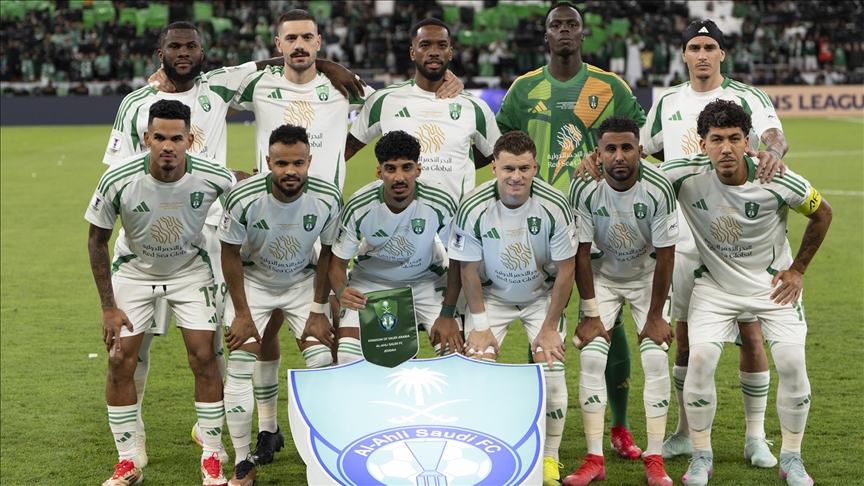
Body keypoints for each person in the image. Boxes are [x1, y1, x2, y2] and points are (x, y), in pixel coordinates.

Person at [105, 20, 361, 466]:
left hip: (209, 230)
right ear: (160, 53)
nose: (183, 54)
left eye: (191, 46)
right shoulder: (136, 104)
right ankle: (133, 439)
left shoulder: (218, 85)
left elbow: (274, 61)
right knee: (132, 346)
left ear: (202, 52)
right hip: (147, 236)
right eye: (174, 47)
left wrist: (328, 65)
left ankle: (214, 428)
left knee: (218, 339)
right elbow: (116, 172)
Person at [497, 1, 647, 464]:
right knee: (542, 326)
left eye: (572, 24)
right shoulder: (524, 89)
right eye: (555, 25)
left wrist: (601, 160)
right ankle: (542, 432)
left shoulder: (610, 87)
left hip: (597, 224)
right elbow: (506, 150)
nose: (564, 30)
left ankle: (619, 426)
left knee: (607, 324)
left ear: (583, 34)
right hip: (537, 226)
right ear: (546, 35)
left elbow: (634, 145)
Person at [636, 20, 788, 464]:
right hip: (685, 239)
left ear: (722, 53)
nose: (702, 54)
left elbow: (774, 136)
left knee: (751, 334)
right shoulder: (667, 102)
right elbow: (643, 149)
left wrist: (774, 152)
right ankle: (685, 432)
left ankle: (756, 437)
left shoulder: (749, 97)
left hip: (740, 239)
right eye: (694, 47)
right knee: (685, 338)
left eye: (709, 47)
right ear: (683, 54)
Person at [662, 100, 832, 486]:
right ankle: (701, 457)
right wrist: (596, 164)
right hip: (715, 287)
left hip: (772, 287)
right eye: (716, 139)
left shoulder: (777, 177)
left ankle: (792, 458)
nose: (726, 148)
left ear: (748, 141)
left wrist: (798, 269)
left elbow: (823, 212)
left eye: (734, 138)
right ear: (702, 144)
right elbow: (631, 175)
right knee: (700, 358)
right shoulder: (683, 174)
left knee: (792, 362)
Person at [86, 100, 234, 486]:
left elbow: (243, 194)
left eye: (176, 139)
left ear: (190, 140)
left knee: (204, 355)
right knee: (120, 359)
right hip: (133, 272)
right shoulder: (118, 179)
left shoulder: (212, 176)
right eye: (160, 138)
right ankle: (127, 461)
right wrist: (107, 307)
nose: (168, 146)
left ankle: (212, 455)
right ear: (146, 138)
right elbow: (96, 240)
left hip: (190, 272)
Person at [448, 131, 577, 486]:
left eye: (524, 168)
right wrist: (480, 325)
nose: (516, 176)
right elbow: (468, 269)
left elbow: (567, 270)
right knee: (478, 367)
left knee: (552, 368)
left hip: (541, 297)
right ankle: (480, 453)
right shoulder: (473, 206)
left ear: (535, 168)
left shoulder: (555, 204)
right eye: (508, 168)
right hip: (491, 296)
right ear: (494, 168)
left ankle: (549, 458)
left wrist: (549, 328)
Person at [217, 125, 341, 486]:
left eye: (298, 163)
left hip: (301, 282)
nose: (290, 171)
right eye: (282, 163)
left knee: (321, 360)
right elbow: (229, 253)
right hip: (254, 282)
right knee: (240, 365)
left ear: (309, 161)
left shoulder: (328, 196)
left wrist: (318, 310)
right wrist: (242, 313)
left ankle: (324, 453)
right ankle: (243, 461)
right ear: (268, 162)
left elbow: (328, 253)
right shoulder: (243, 197)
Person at [564, 116, 677, 486]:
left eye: (627, 147)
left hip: (648, 279)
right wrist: (590, 313)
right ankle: (594, 458)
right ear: (598, 154)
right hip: (603, 278)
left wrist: (656, 316)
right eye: (610, 148)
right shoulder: (583, 186)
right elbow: (580, 252)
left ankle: (655, 458)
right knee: (592, 358)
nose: (619, 156)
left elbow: (667, 254)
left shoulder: (658, 187)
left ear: (640, 151)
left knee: (656, 358)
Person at [329, 131, 463, 363]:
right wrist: (341, 291)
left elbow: (460, 258)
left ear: (418, 170)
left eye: (407, 168)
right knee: (348, 357)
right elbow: (337, 263)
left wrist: (448, 312)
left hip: (426, 279)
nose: (399, 177)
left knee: (455, 354)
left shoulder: (440, 200)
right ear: (379, 172)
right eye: (390, 169)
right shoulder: (359, 205)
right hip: (371, 281)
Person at [345, 18, 500, 202]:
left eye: (442, 45)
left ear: (450, 53)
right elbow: (345, 150)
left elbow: (500, 158)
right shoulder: (384, 101)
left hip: (454, 218)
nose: (434, 52)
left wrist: (460, 160)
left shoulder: (475, 107)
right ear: (413, 53)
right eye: (425, 45)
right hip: (399, 217)